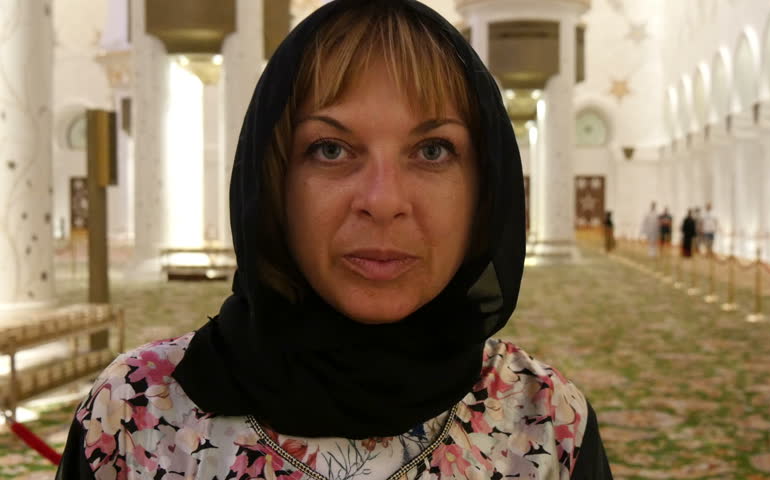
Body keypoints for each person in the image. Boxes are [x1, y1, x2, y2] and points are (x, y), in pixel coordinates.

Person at [56, 1, 613, 479]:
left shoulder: (545, 426)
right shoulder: (135, 418)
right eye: (330, 149)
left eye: (432, 150)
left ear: (483, 190)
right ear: (273, 180)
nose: (383, 200)